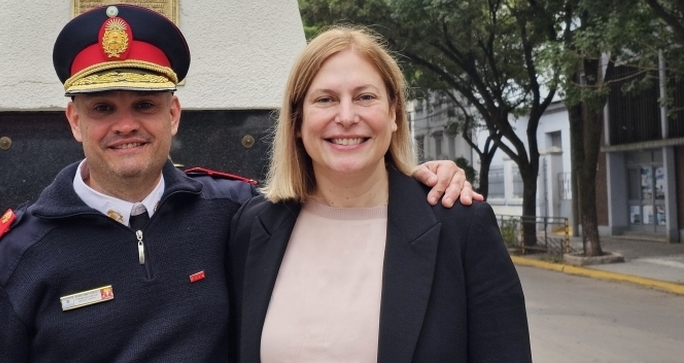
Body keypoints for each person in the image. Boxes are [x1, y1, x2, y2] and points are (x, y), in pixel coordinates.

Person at [0, 5, 477, 362]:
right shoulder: (14, 258)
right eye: (103, 108)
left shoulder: (235, 213)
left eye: (146, 106)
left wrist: (422, 177)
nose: (126, 124)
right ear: (74, 121)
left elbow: (339, 193)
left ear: (174, 114)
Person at [228, 26, 532, 363]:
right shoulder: (253, 227)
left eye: (365, 97)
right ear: (298, 122)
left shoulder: (461, 227)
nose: (346, 117)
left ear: (393, 115)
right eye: (325, 99)